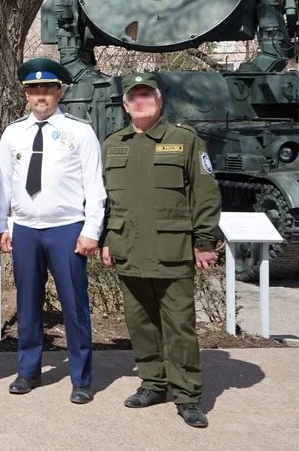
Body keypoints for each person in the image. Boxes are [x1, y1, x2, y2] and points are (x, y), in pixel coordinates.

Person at [100, 73, 221, 429]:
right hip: (129, 248)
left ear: (159, 100)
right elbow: (107, 201)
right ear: (125, 105)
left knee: (179, 326)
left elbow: (206, 193)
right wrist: (107, 237)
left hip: (172, 250)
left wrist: (204, 242)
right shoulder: (113, 144)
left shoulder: (184, 141)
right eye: (134, 98)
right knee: (140, 322)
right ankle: (153, 383)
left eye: (146, 96)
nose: (140, 102)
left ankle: (187, 395)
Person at [0, 57, 105, 404]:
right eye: (33, 89)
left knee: (74, 305)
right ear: (26, 94)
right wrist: (0, 225)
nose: (40, 95)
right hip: (24, 229)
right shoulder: (14, 133)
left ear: (59, 91)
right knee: (27, 304)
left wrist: (91, 230)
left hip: (66, 229)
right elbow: (2, 185)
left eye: (47, 89)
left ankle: (81, 378)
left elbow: (95, 186)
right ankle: (28, 371)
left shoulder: (79, 132)